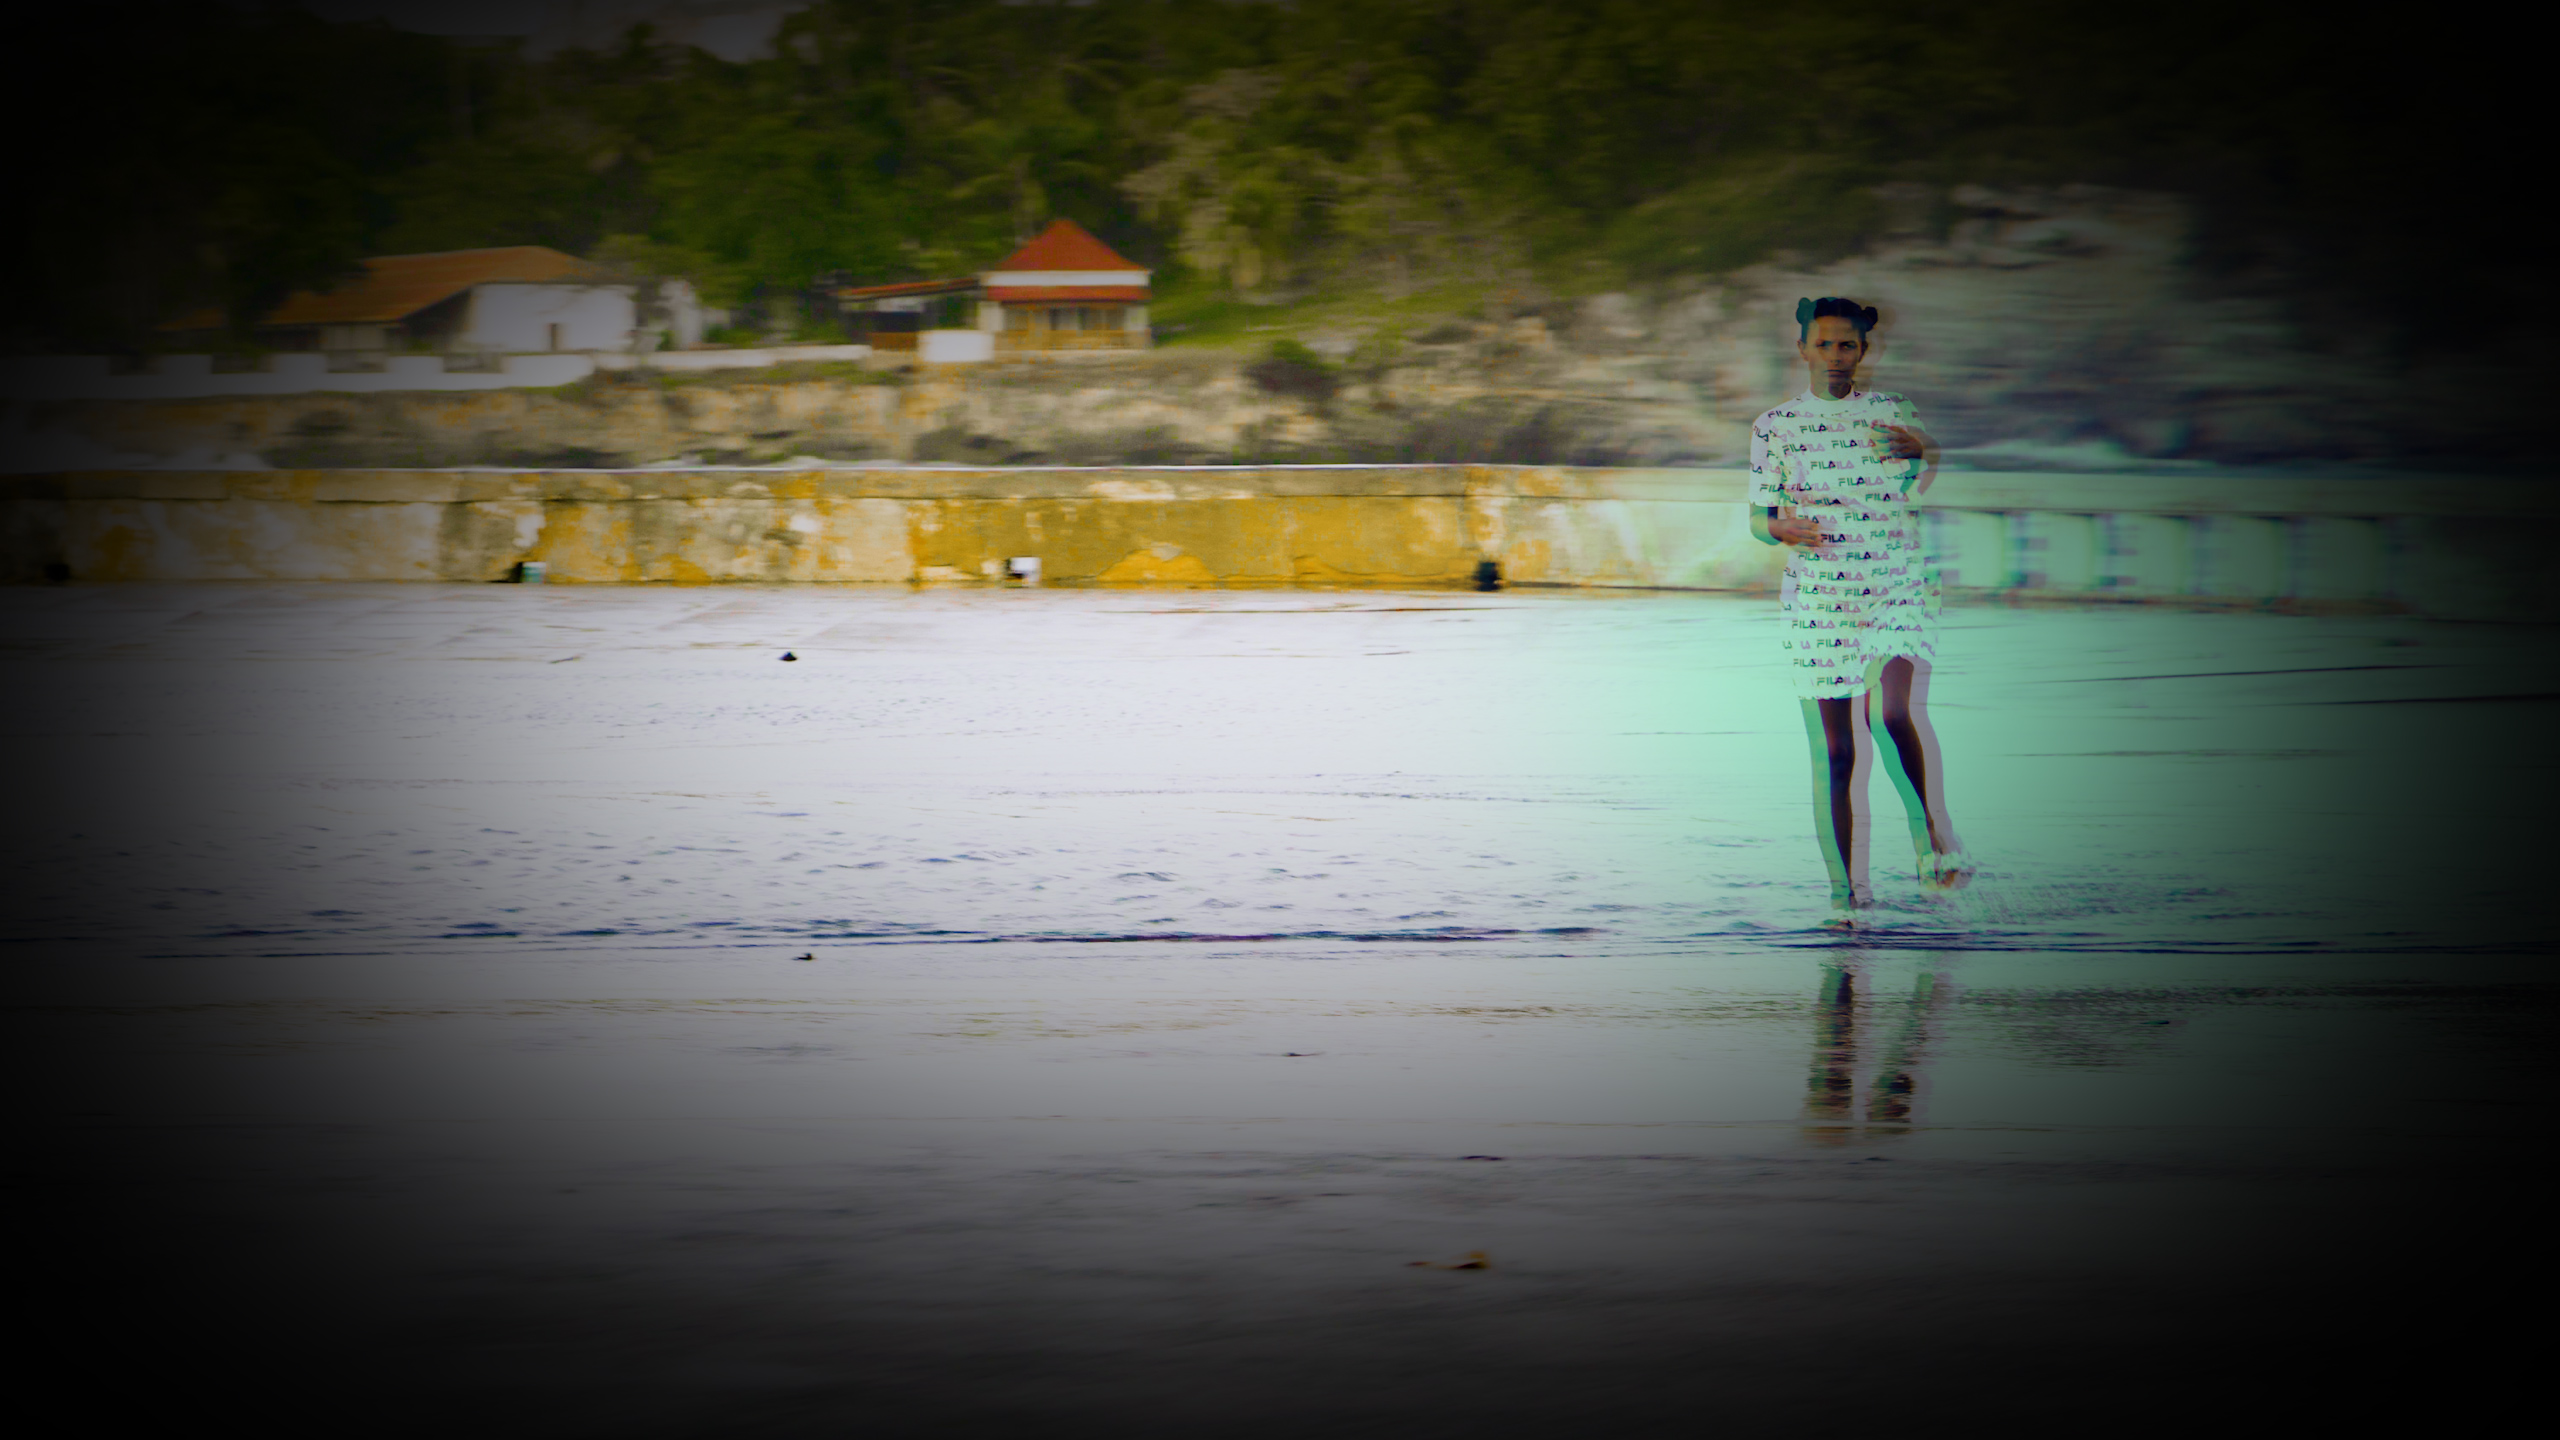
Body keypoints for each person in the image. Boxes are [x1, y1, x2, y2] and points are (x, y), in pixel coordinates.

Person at [1749, 297, 1969, 925]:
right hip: (1821, 596)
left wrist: (1924, 450)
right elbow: (1759, 519)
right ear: (1803, 350)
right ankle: (1846, 895)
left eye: (1847, 345)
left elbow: (1922, 476)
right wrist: (1781, 528)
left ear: (1864, 351)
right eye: (1823, 344)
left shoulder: (1892, 411)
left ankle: (1931, 836)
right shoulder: (1774, 426)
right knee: (1838, 753)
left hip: (1896, 581)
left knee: (1891, 711)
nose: (1836, 356)